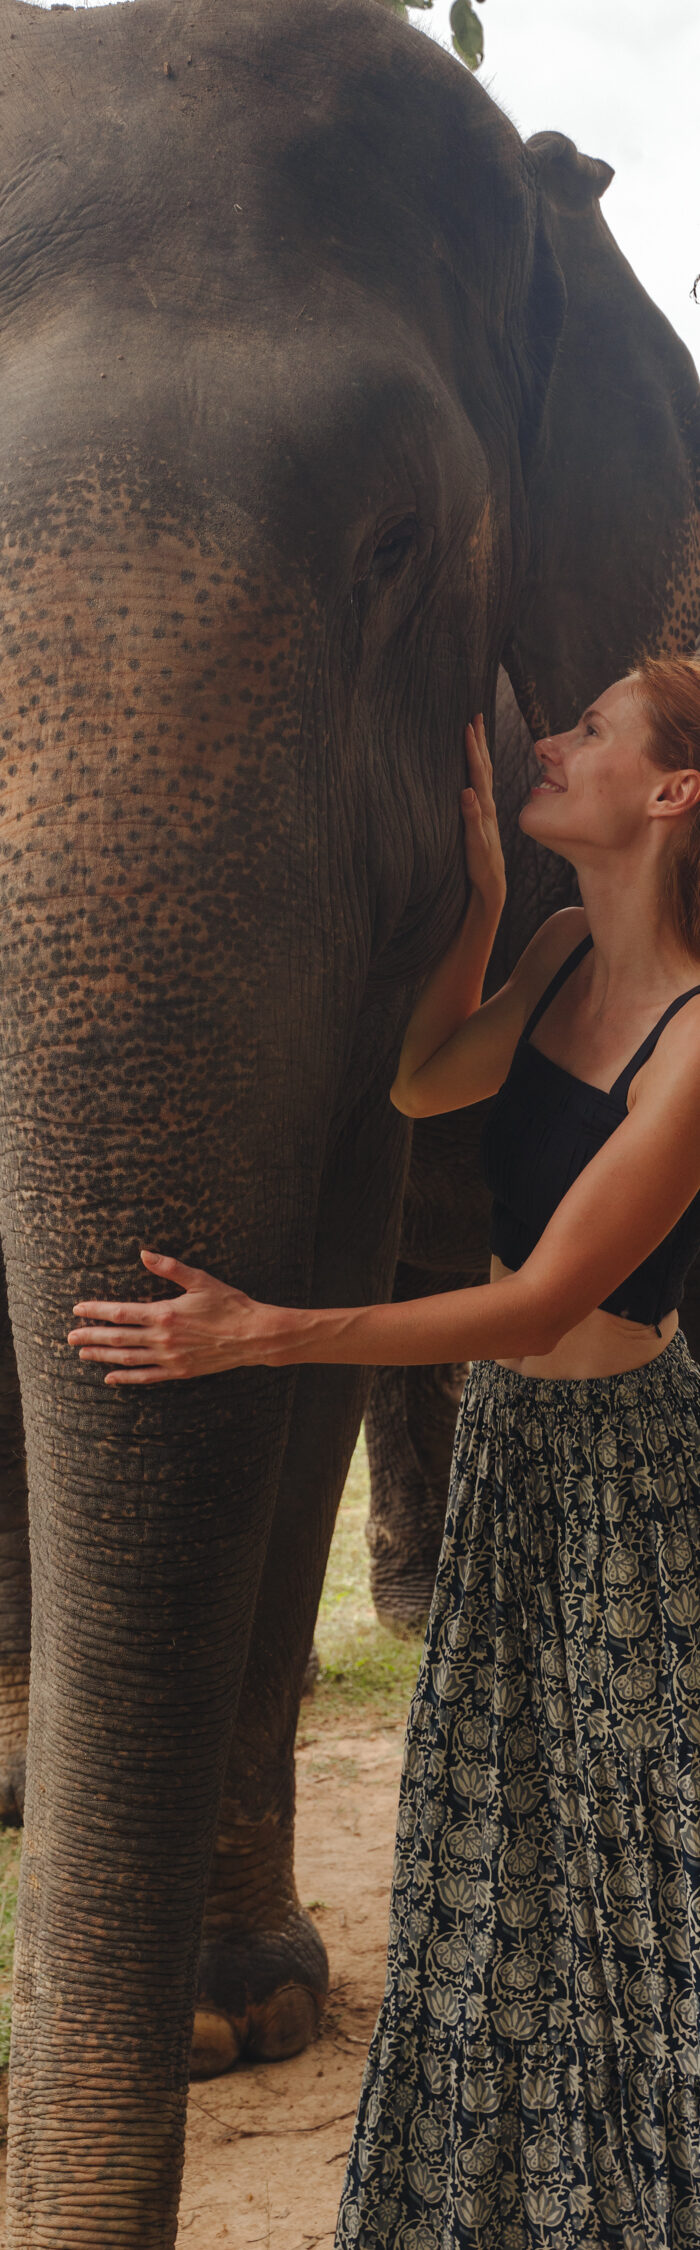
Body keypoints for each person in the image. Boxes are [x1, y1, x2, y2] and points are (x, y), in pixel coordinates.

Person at [69, 658, 700, 2246]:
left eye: (596, 729)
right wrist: (484, 899)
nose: (548, 740)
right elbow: (428, 1079)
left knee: (633, 1860)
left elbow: (547, 1292)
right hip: (515, 1461)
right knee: (497, 1841)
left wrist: (266, 1331)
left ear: (672, 792)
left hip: (629, 1486)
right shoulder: (559, 950)